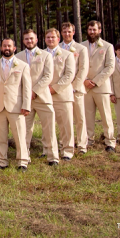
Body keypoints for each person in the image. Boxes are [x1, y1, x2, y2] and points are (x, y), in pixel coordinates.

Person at [16, 29, 59, 165]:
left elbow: (48, 76)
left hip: (42, 97)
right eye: (26, 39)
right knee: (25, 130)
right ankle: (24, 158)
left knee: (49, 128)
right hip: (25, 100)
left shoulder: (46, 56)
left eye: (31, 38)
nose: (29, 41)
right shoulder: (17, 57)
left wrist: (34, 91)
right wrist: (26, 94)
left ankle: (52, 157)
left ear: (36, 40)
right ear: (23, 41)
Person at [0, 38, 31, 171]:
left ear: (14, 48)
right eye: (4, 46)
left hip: (16, 105)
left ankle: (22, 161)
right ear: (1, 48)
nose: (7, 48)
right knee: (1, 135)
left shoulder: (22, 65)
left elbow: (26, 87)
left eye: (9, 46)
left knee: (20, 135)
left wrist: (26, 105)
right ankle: (2, 160)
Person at [81, 20, 116, 152]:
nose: (92, 32)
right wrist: (85, 80)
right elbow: (77, 66)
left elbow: (110, 67)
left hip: (101, 86)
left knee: (106, 115)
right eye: (90, 29)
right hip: (85, 87)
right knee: (87, 115)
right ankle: (89, 140)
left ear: (99, 30)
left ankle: (110, 141)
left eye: (94, 30)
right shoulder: (81, 46)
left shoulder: (107, 46)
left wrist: (95, 81)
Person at [45, 28, 76, 161]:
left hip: (62, 95)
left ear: (58, 39)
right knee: (47, 124)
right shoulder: (41, 54)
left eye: (53, 37)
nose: (50, 40)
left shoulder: (67, 55)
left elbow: (69, 75)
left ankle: (67, 150)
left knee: (65, 124)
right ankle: (47, 149)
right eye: (48, 37)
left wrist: (55, 88)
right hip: (44, 95)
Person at [60, 22, 90, 154]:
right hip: (61, 90)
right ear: (61, 33)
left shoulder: (81, 48)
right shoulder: (57, 48)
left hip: (76, 89)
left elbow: (83, 69)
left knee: (80, 118)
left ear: (74, 32)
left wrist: (74, 86)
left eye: (69, 31)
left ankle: (82, 145)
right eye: (64, 31)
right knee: (64, 119)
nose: (67, 34)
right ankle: (65, 143)